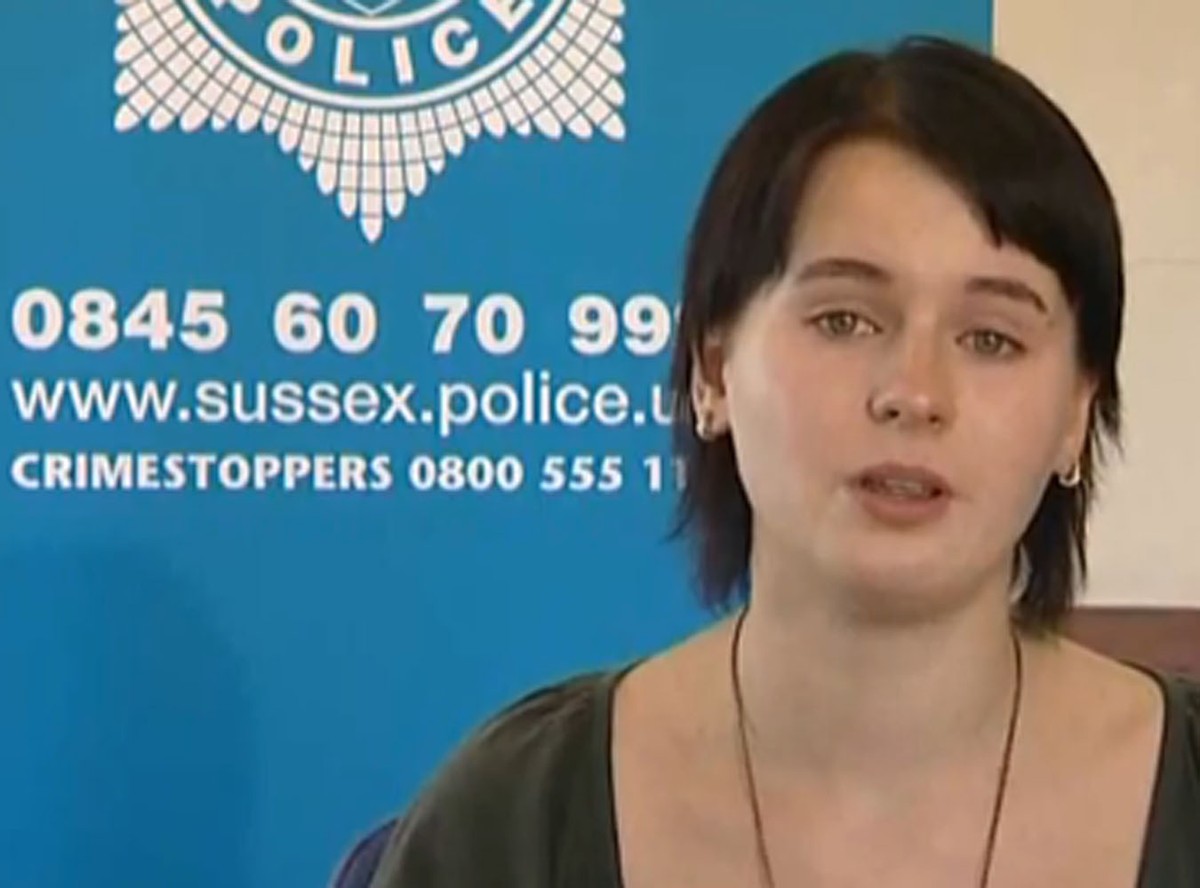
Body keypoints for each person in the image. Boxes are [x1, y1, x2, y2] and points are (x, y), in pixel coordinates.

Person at [336, 33, 1200, 888]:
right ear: (713, 371)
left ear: (1077, 413)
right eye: (845, 321)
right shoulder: (515, 819)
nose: (914, 393)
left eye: (991, 338)